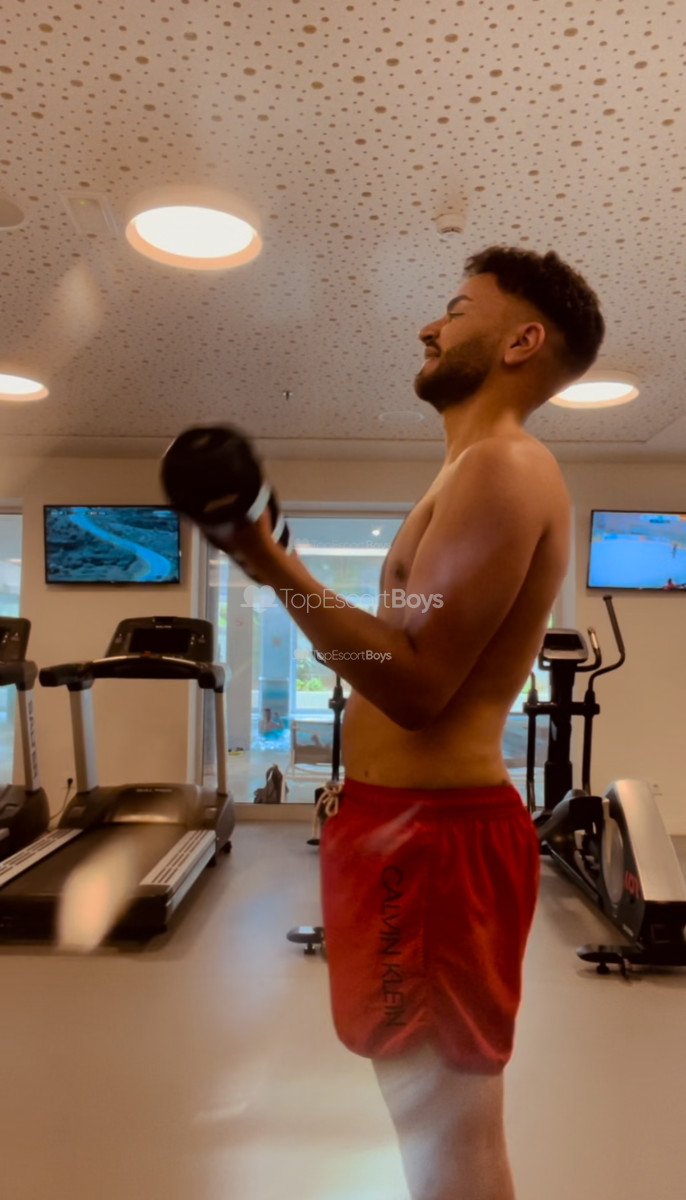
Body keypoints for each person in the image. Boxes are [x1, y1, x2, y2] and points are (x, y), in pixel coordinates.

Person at [207, 245, 605, 1200]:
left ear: (521, 341)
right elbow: (407, 640)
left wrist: (270, 564)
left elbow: (417, 685)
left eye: (457, 310)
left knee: (448, 1138)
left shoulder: (503, 467)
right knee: (430, 1124)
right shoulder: (468, 473)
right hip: (400, 829)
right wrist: (279, 560)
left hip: (433, 843)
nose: (429, 327)